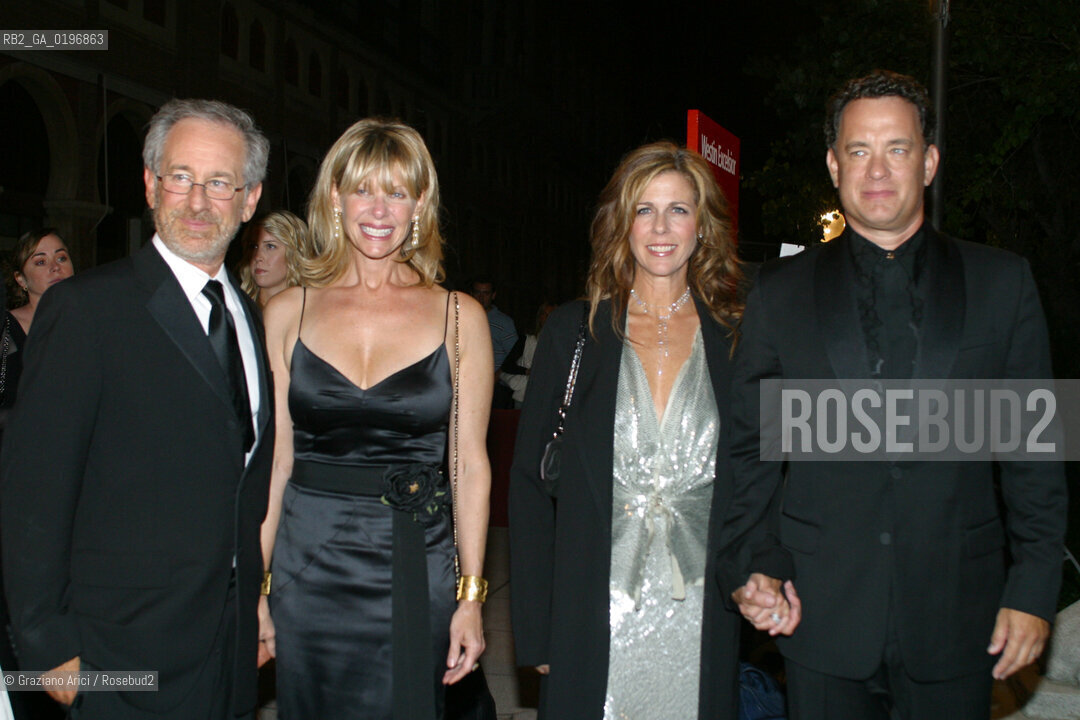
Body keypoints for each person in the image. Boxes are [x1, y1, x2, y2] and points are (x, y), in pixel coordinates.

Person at [716, 70, 1067, 720]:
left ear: (929, 162)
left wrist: (1033, 588)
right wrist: (751, 562)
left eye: (897, 148)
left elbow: (1034, 457)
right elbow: (749, 452)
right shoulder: (779, 292)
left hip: (959, 614)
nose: (877, 169)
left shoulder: (1003, 283)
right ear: (834, 165)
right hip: (818, 615)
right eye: (858, 150)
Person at [1, 98, 272, 719]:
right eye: (181, 176)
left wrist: (256, 602)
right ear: (150, 185)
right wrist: (49, 649)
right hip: (119, 652)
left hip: (230, 644)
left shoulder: (247, 318)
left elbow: (245, 480)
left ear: (249, 200)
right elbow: (33, 490)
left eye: (220, 182)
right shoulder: (86, 310)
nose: (198, 201)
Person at [258, 117, 492, 719]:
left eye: (397, 191)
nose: (380, 209)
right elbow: (275, 463)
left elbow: (469, 467)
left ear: (420, 203)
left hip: (414, 562)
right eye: (363, 189)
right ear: (335, 198)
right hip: (307, 567)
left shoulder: (459, 316)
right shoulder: (286, 312)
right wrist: (259, 587)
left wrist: (470, 596)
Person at [509, 141, 745, 720]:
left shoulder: (738, 334)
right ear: (623, 224)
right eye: (645, 210)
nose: (661, 227)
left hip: (702, 607)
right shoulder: (574, 331)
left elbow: (764, 476)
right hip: (593, 605)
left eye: (678, 209)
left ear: (702, 225)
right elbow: (530, 486)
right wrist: (537, 630)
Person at [0, 229, 74, 720]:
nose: (54, 267)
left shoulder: (90, 320)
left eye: (61, 257)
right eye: (40, 261)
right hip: (19, 485)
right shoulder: (8, 331)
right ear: (20, 279)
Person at [238, 211, 307, 308]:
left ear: (294, 253)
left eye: (270, 246)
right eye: (253, 246)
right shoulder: (236, 307)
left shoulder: (311, 309)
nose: (257, 257)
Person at [499, 301, 556, 407]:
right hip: (525, 395)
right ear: (540, 317)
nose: (548, 318)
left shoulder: (561, 343)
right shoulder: (527, 340)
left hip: (549, 396)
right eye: (545, 314)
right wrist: (527, 371)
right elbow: (507, 365)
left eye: (551, 315)